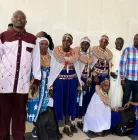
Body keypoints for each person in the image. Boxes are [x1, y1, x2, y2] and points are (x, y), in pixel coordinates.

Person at [0, 10, 41, 140]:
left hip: (22, 87)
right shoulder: (3, 36)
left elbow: (36, 61)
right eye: (16, 17)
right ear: (12, 20)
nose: (19, 19)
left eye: (22, 17)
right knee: (3, 117)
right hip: (3, 85)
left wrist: (36, 81)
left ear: (26, 21)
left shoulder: (33, 39)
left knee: (19, 117)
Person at [47, 33, 80, 137]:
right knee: (58, 104)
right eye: (64, 40)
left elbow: (78, 71)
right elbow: (52, 70)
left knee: (69, 104)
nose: (66, 43)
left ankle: (66, 126)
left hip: (72, 82)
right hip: (59, 83)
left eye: (68, 41)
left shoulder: (75, 54)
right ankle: (55, 128)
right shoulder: (56, 53)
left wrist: (79, 85)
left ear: (71, 42)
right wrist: (51, 86)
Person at [26, 38, 51, 137]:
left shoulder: (51, 56)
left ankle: (42, 127)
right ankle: (36, 127)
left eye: (46, 44)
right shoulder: (33, 56)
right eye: (42, 44)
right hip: (36, 86)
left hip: (47, 86)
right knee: (35, 107)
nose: (44, 46)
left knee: (45, 107)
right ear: (38, 45)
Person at [120, 33, 138, 106]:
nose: (136, 40)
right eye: (135, 39)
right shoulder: (127, 50)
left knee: (136, 99)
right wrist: (122, 78)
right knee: (126, 98)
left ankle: (133, 115)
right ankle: (124, 115)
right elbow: (122, 64)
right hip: (128, 79)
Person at [74, 37, 92, 129]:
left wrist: (88, 81)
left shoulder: (89, 56)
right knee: (76, 101)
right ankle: (72, 121)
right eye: (83, 44)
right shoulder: (76, 55)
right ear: (80, 45)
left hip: (85, 82)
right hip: (77, 80)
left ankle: (80, 120)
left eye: (87, 44)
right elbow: (75, 70)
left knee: (83, 101)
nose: (85, 46)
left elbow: (90, 70)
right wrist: (79, 83)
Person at [109, 37, 124, 108]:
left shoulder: (124, 53)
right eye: (118, 43)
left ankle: (117, 110)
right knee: (111, 92)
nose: (119, 45)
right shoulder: (110, 52)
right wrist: (110, 72)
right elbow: (107, 64)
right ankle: (109, 109)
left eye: (121, 43)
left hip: (121, 78)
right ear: (115, 43)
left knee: (119, 94)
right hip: (112, 77)